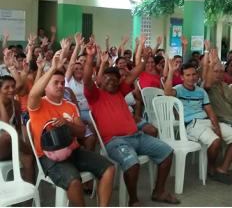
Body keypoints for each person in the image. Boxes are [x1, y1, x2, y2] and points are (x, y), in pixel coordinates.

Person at [83, 42, 179, 206]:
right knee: (132, 163)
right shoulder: (95, 95)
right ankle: (133, 200)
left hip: (137, 136)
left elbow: (134, 72)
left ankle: (159, 191)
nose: (111, 81)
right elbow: (86, 79)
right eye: (107, 79)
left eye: (114, 79)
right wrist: (90, 56)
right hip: (114, 141)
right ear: (101, 81)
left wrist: (146, 58)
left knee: (167, 152)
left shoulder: (120, 90)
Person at [28, 51, 115, 206]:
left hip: (73, 151)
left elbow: (81, 132)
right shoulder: (39, 104)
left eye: (62, 83)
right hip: (49, 157)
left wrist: (67, 124)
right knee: (74, 181)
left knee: (109, 168)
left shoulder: (70, 106)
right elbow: (34, 92)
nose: (61, 86)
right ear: (46, 86)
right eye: (56, 83)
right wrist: (52, 68)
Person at [164, 60, 232, 184]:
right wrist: (171, 71)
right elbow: (167, 92)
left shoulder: (201, 91)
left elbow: (210, 112)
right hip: (191, 124)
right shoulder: (178, 89)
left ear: (197, 75)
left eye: (194, 74)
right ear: (182, 77)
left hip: (206, 121)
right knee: (215, 141)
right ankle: (211, 168)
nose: (191, 77)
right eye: (188, 75)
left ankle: (222, 168)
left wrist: (217, 128)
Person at [0, 75, 35, 183]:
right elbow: (7, 128)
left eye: (13, 86)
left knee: (28, 159)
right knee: (7, 136)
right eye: (6, 87)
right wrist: (0, 103)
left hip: (13, 143)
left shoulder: (16, 104)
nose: (11, 90)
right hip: (3, 146)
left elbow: (18, 129)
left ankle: (30, 195)